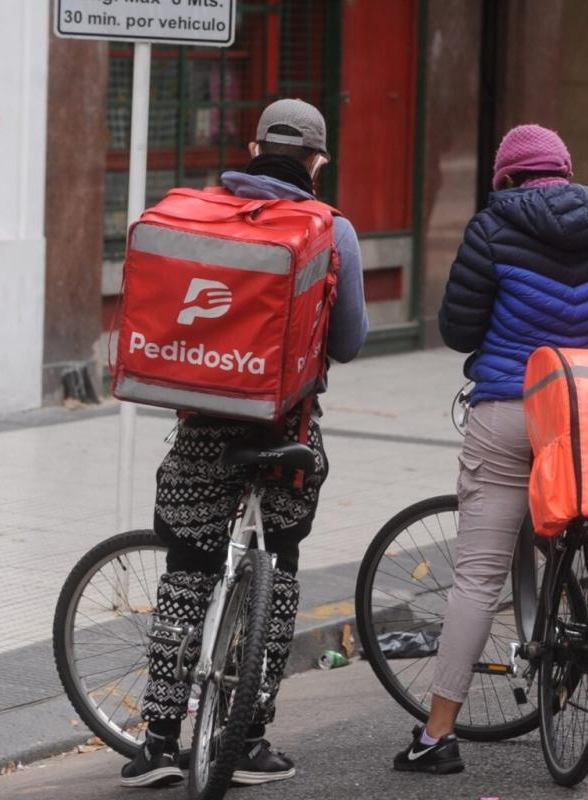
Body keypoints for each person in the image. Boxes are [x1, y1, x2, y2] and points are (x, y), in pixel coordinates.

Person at [393, 124, 588, 775]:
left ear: (508, 178)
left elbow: (459, 328)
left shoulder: (491, 230)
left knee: (479, 574)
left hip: (510, 410)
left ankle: (438, 735)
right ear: (565, 173)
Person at [121, 98, 369, 788]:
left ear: (254, 145)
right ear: (317, 161)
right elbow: (347, 344)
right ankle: (250, 739)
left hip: (202, 428)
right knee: (278, 571)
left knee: (186, 572)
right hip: (283, 434)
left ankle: (157, 745)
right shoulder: (332, 231)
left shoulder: (194, 214)